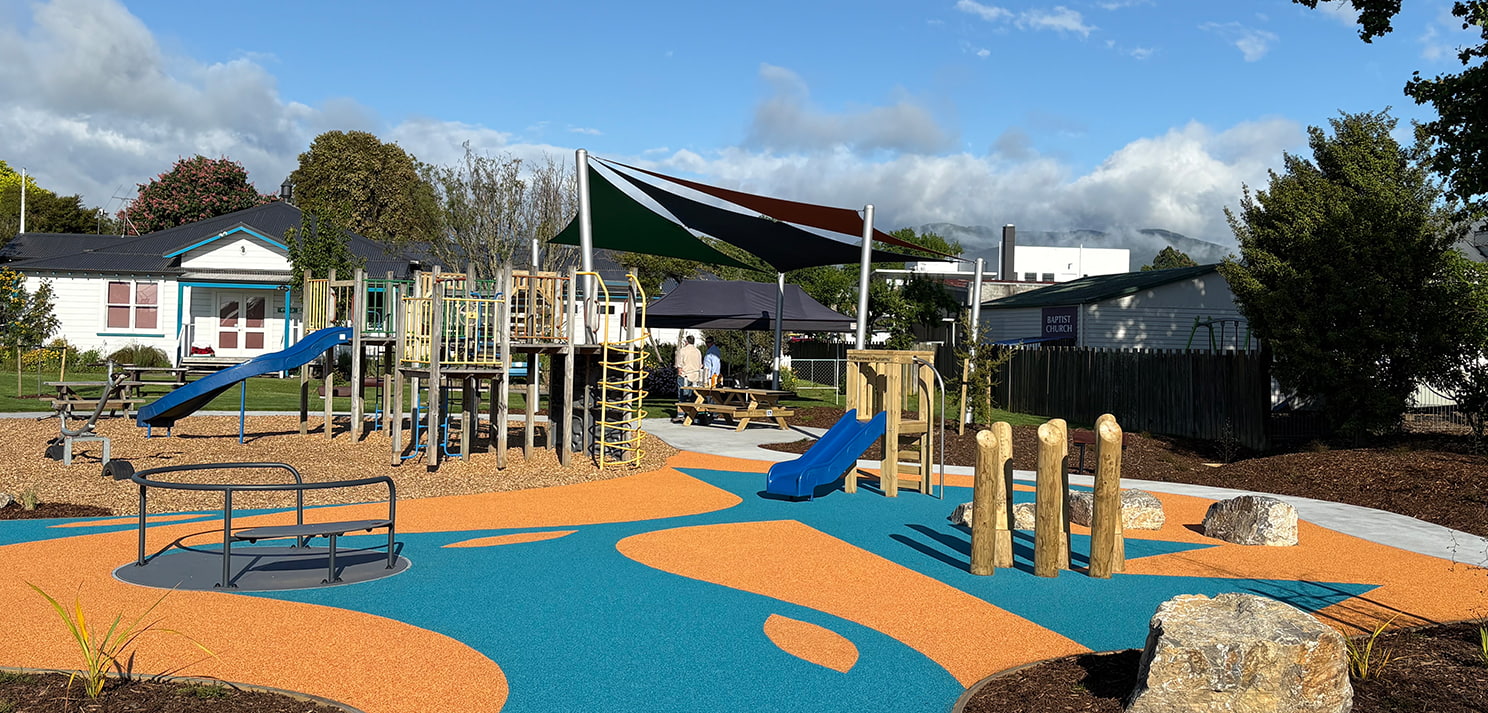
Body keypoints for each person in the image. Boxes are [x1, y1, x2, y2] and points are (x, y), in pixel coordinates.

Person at [673, 335, 702, 421]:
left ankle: (681, 414)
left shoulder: (682, 351)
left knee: (682, 395)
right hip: (695, 376)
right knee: (694, 396)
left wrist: (679, 373)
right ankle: (694, 414)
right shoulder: (698, 351)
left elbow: (679, 365)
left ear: (686, 342)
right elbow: (700, 364)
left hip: (685, 375)